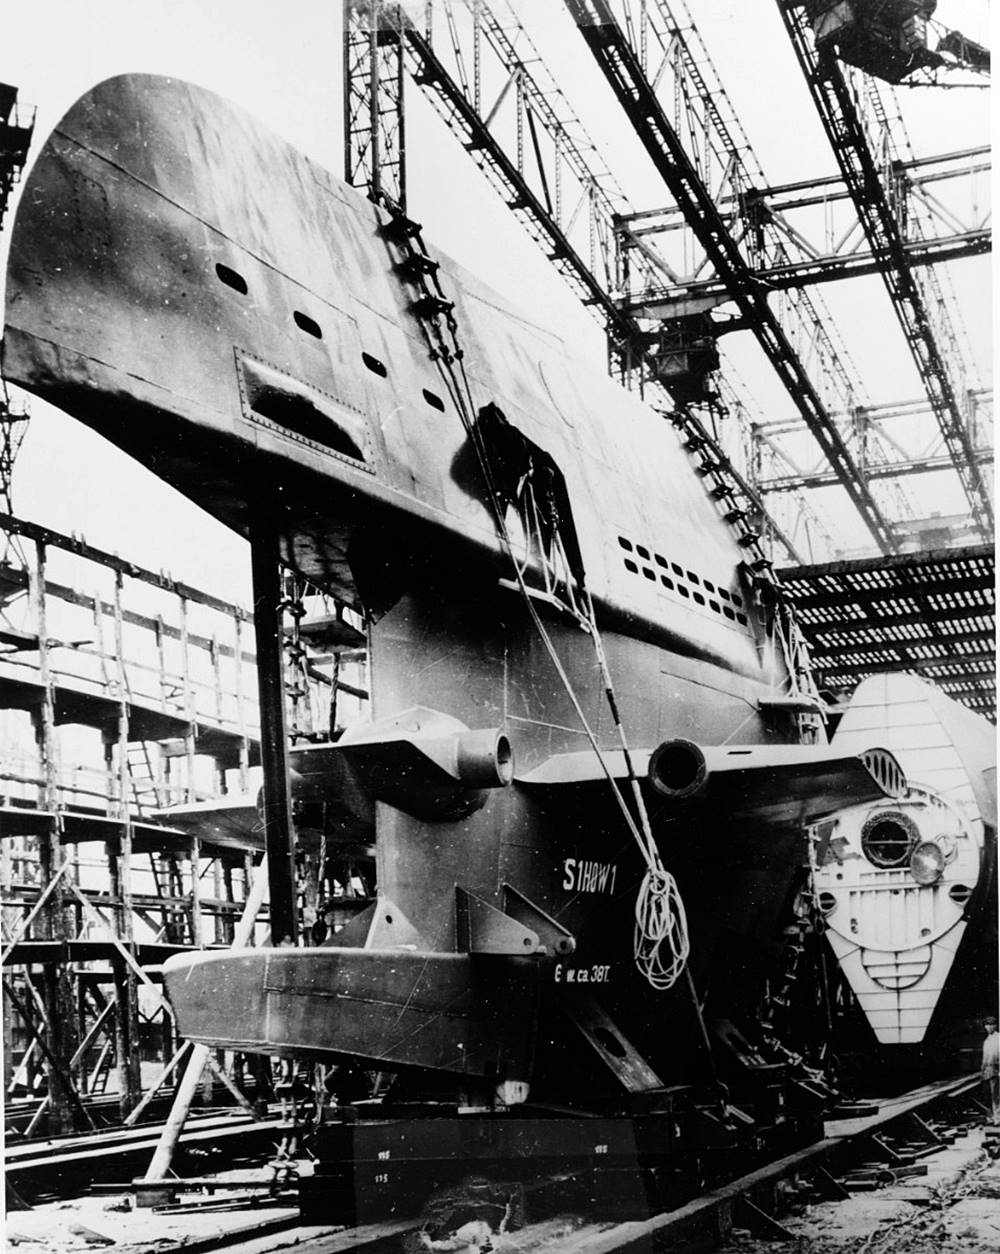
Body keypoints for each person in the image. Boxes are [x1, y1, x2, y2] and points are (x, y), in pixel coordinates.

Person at [982, 1016, 1000, 1125]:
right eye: (987, 1025)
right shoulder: (987, 1040)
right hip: (989, 1070)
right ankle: (992, 1117)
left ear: (995, 1026)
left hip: (997, 1069)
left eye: (991, 1025)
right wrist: (983, 1071)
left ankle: (998, 1118)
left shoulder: (998, 1038)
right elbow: (985, 1058)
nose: (989, 1027)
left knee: (997, 1095)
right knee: (991, 1095)